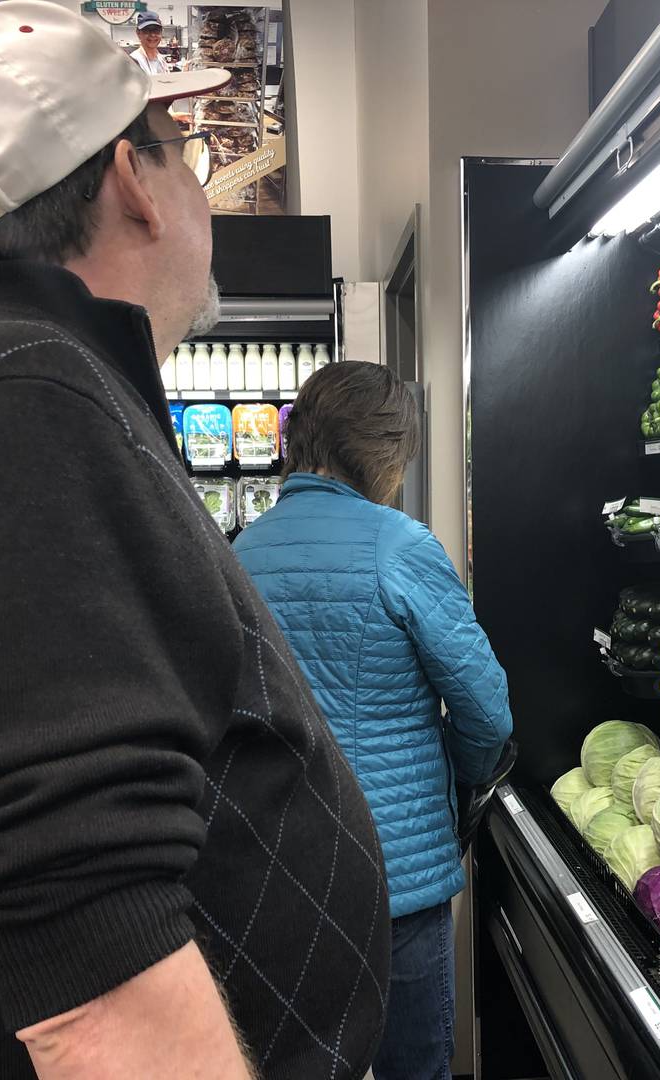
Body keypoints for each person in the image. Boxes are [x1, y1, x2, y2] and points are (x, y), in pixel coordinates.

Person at [0, 4, 389, 1079]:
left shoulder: (2, 381)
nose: (201, 188)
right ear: (132, 176)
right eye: (192, 155)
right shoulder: (13, 399)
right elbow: (78, 917)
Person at [233, 362, 514, 1080]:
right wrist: (456, 784)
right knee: (412, 1067)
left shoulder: (238, 555)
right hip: (396, 877)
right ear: (389, 450)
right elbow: (486, 711)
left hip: (283, 870)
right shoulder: (399, 546)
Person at [129, 11, 168, 75]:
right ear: (138, 33)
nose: (152, 35)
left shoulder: (161, 59)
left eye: (156, 30)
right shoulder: (133, 61)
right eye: (147, 30)